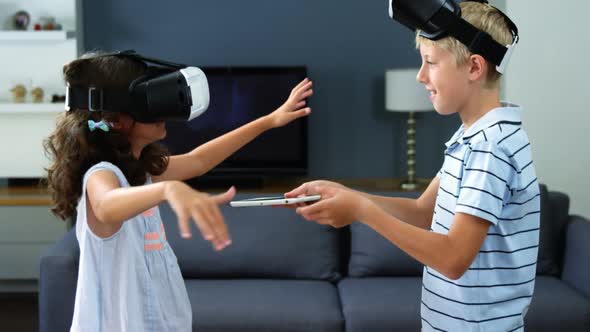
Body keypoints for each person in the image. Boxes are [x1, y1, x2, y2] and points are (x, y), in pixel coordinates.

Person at [286, 2, 539, 331]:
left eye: (431, 63)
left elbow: (452, 258)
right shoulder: (472, 137)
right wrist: (346, 193)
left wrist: (362, 210)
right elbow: (423, 212)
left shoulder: (489, 149)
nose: (421, 76)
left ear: (474, 68)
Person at [43, 52, 313, 332]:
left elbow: (199, 160)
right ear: (117, 119)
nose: (164, 111)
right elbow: (106, 205)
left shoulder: (142, 171)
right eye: (150, 101)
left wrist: (269, 121)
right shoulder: (102, 175)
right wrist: (168, 190)